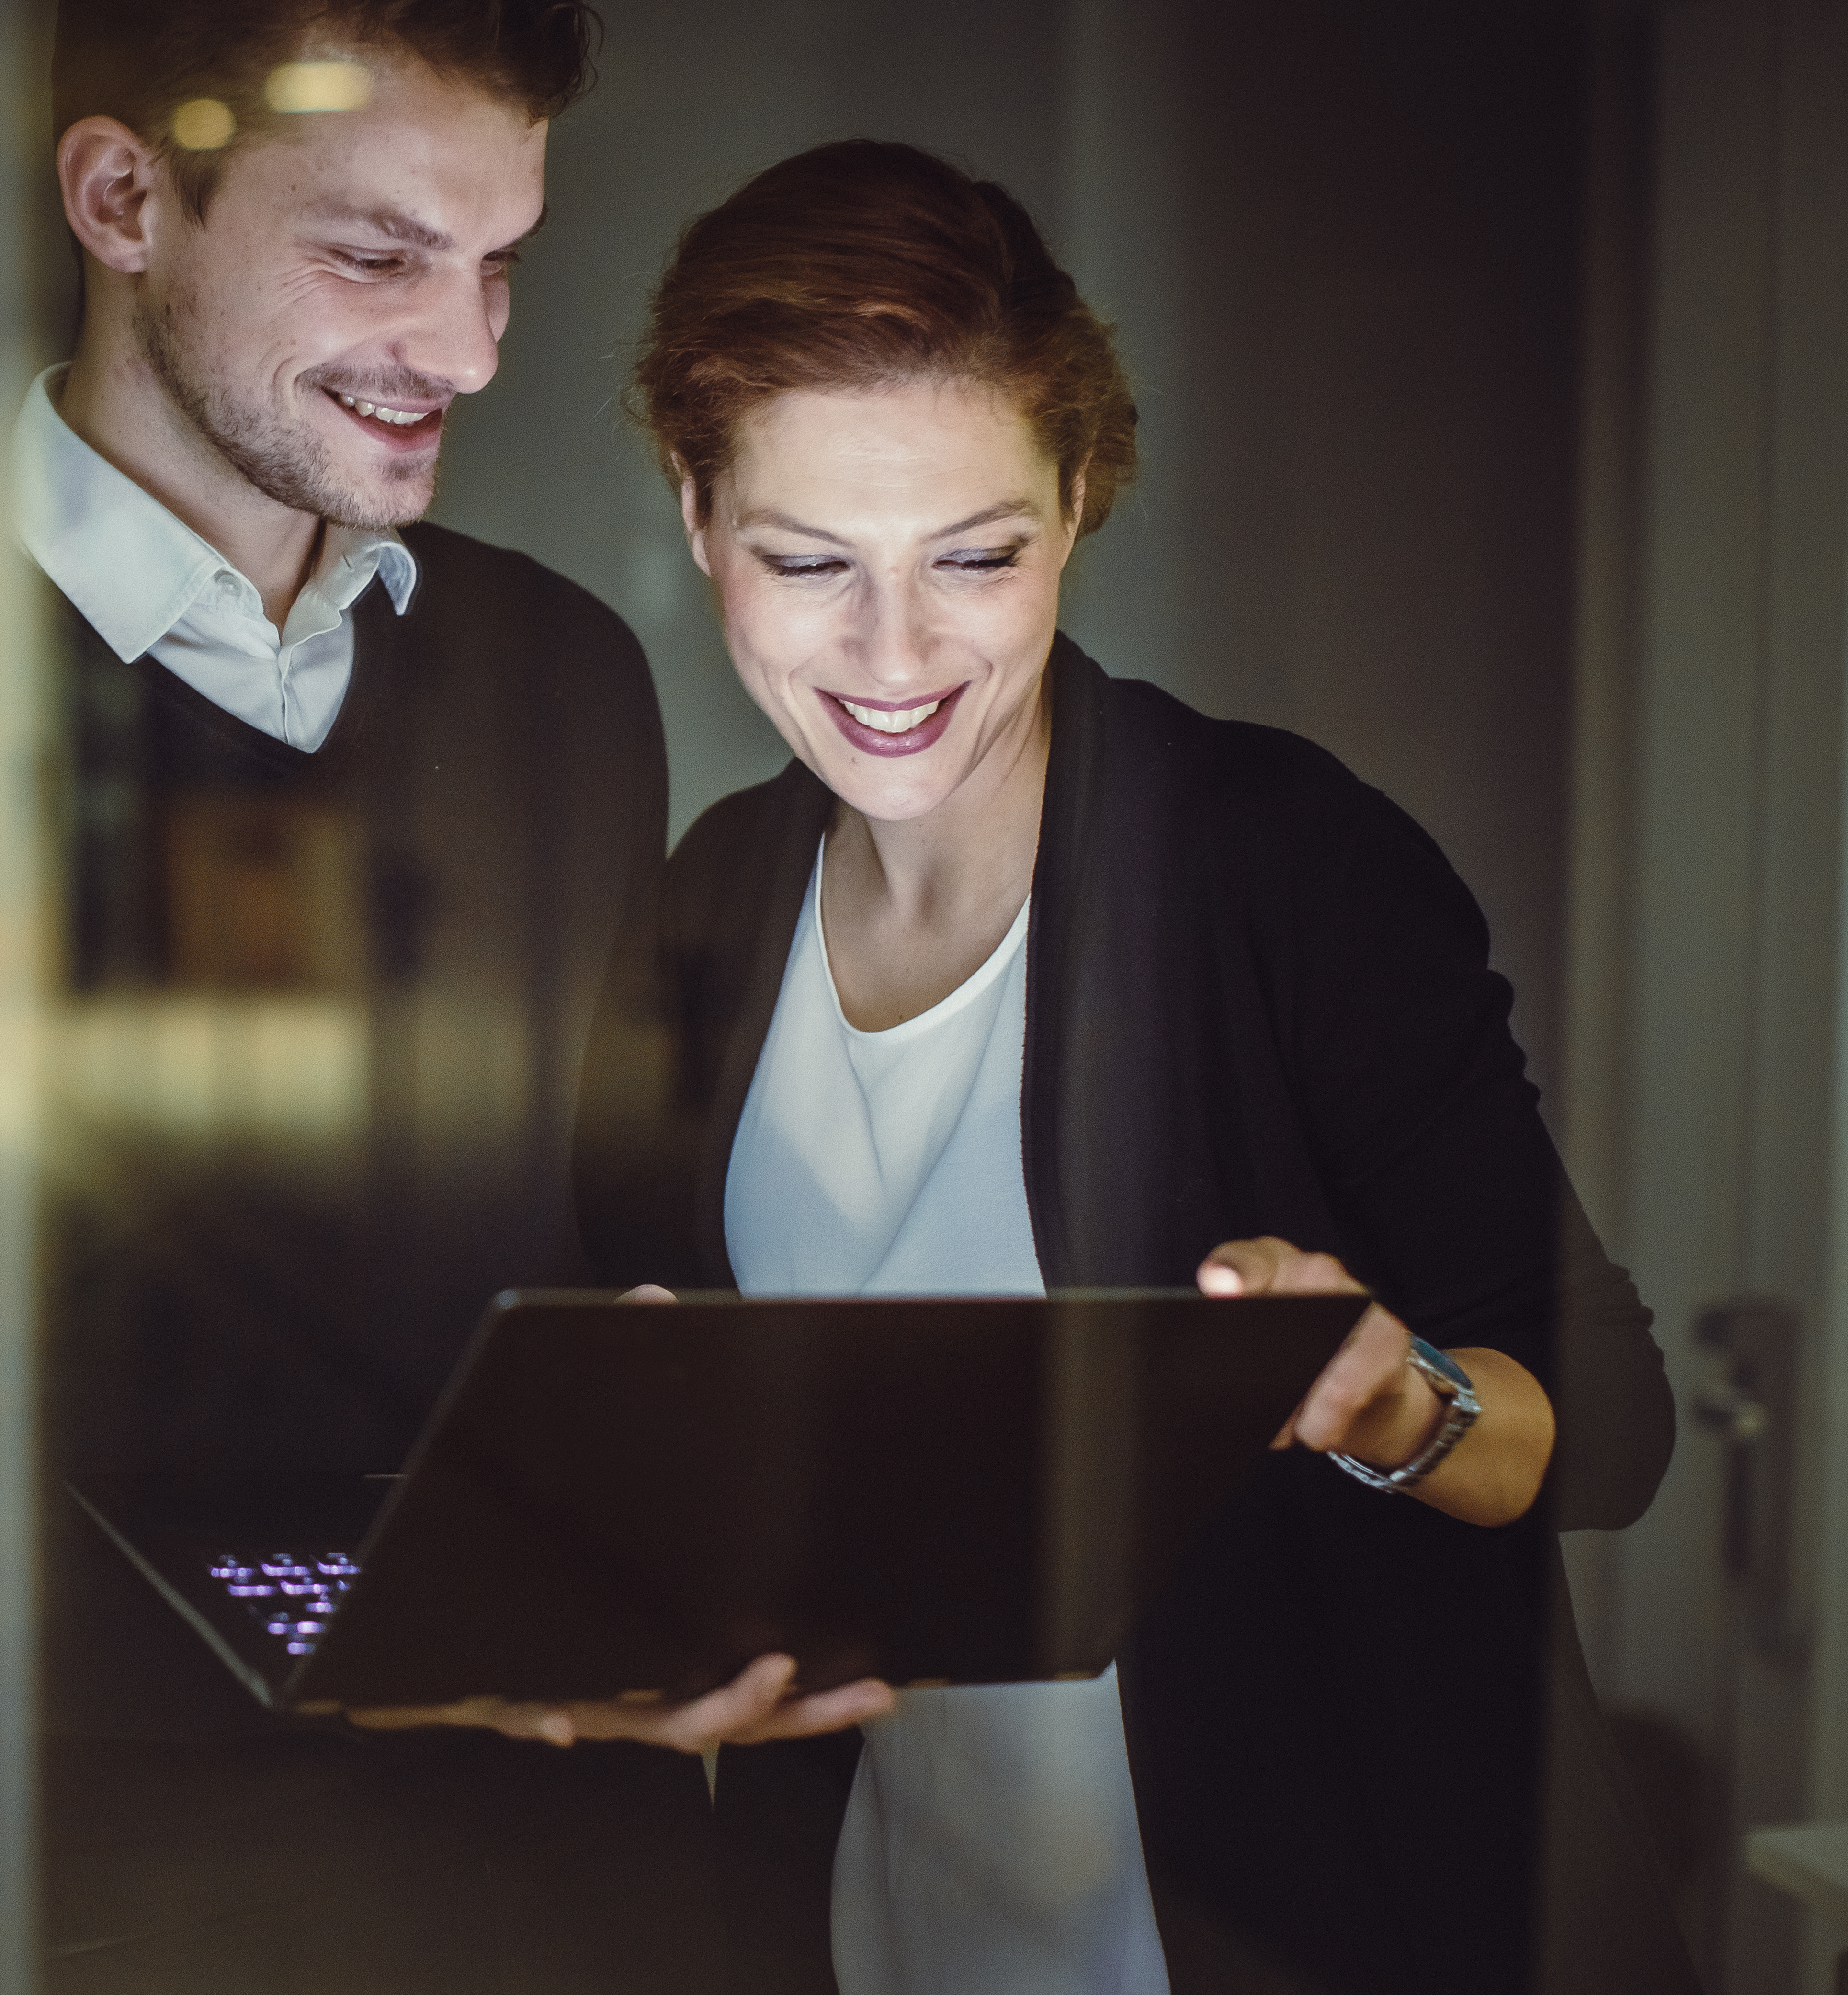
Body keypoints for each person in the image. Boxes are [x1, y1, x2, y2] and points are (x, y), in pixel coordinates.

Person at [363, 141, 1699, 1995]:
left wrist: (1396, 1406)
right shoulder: (704, 904)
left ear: (1075, 500)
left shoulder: (1277, 860)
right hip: (868, 1924)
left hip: (1280, 1941)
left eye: (974, 557)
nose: (892, 653)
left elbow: (1609, 1418)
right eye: (807, 561)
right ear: (693, 512)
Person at [0, 4, 793, 1990]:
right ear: (122, 198)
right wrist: (396, 1659)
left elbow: (616, 1269)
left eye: (496, 266)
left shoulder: (565, 675)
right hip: (132, 1907)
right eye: (374, 255)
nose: (462, 352)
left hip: (597, 1883)